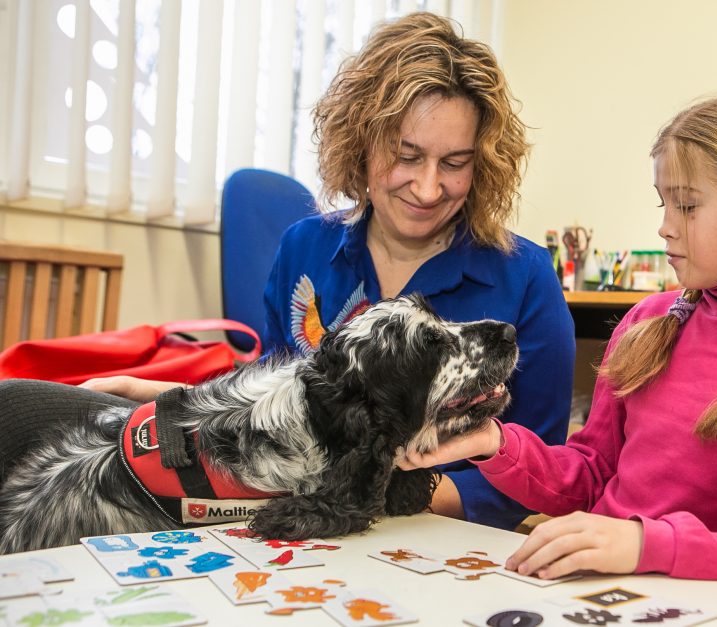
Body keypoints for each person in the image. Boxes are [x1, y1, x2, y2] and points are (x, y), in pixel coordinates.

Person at [2, 12, 575, 532]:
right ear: (360, 142)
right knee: (21, 407)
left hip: (410, 527)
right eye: (406, 156)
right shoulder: (305, 247)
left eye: (455, 164)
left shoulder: (524, 276)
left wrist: (391, 495)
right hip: (291, 511)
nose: (428, 188)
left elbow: (541, 473)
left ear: (485, 162)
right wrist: (161, 394)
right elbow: (283, 408)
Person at [399, 88, 717, 614]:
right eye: (664, 202)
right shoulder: (648, 321)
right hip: (606, 600)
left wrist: (648, 545)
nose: (665, 225)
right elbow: (590, 473)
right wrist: (494, 442)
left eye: (688, 206)